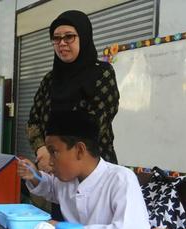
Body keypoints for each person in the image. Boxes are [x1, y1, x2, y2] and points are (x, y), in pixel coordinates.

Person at [18, 109, 149, 229]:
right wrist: (34, 176)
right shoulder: (67, 180)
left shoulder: (121, 179)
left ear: (80, 150)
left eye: (53, 152)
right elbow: (51, 189)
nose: (49, 161)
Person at [27, 10, 120, 174]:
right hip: (54, 170)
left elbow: (96, 123)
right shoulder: (49, 79)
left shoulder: (102, 73)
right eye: (56, 38)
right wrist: (42, 150)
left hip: (93, 172)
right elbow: (33, 121)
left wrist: (57, 154)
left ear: (83, 37)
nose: (62, 43)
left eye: (69, 36)